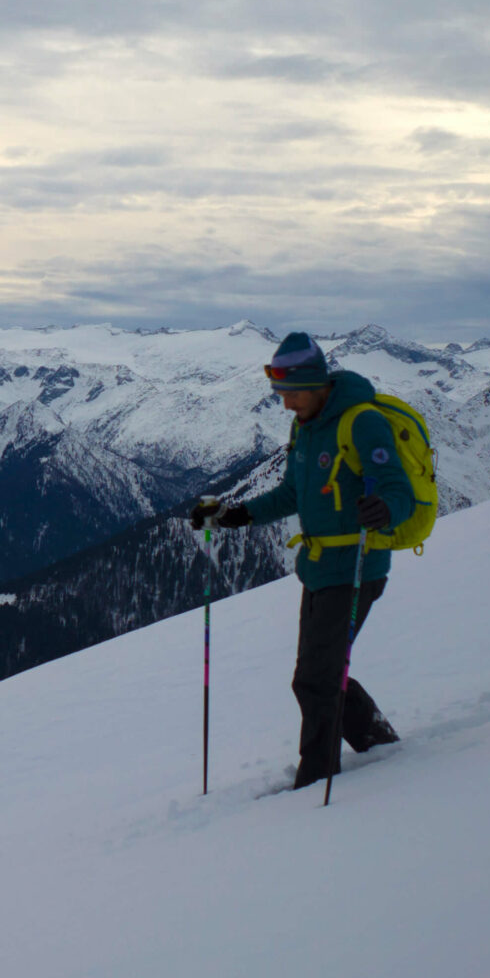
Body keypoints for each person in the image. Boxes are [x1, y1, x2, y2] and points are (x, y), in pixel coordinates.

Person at [188, 332, 415, 790]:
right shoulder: (305, 426)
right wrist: (236, 515)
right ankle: (379, 742)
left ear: (317, 384)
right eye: (281, 395)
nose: (286, 404)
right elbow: (293, 493)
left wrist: (386, 508)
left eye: (292, 394)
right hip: (316, 570)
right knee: (320, 673)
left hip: (355, 569)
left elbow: (400, 491)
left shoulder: (361, 422)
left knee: (314, 679)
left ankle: (316, 779)